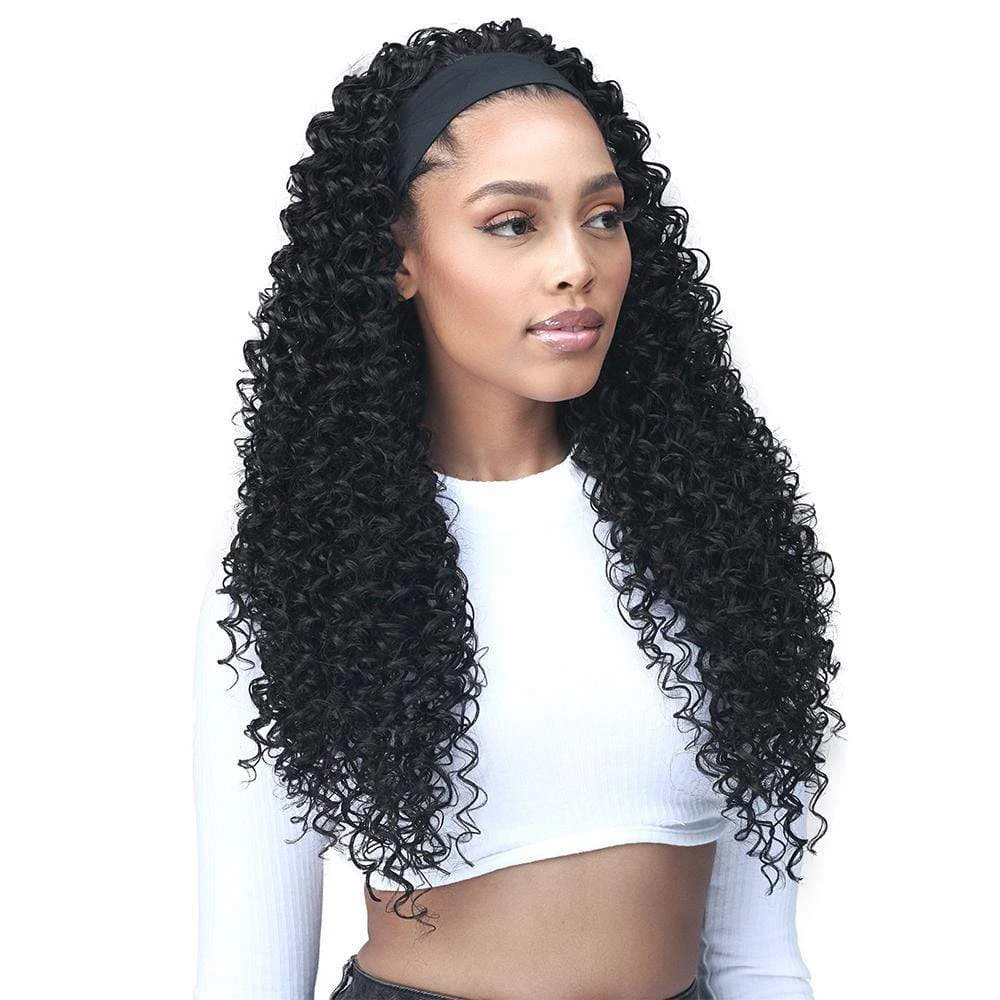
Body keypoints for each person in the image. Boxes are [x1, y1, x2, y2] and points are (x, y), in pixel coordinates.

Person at [192, 18, 843, 1000]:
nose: (576, 263)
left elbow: (757, 957)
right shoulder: (307, 567)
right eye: (512, 223)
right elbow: (247, 975)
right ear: (399, 256)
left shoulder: (718, 535)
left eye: (603, 216)